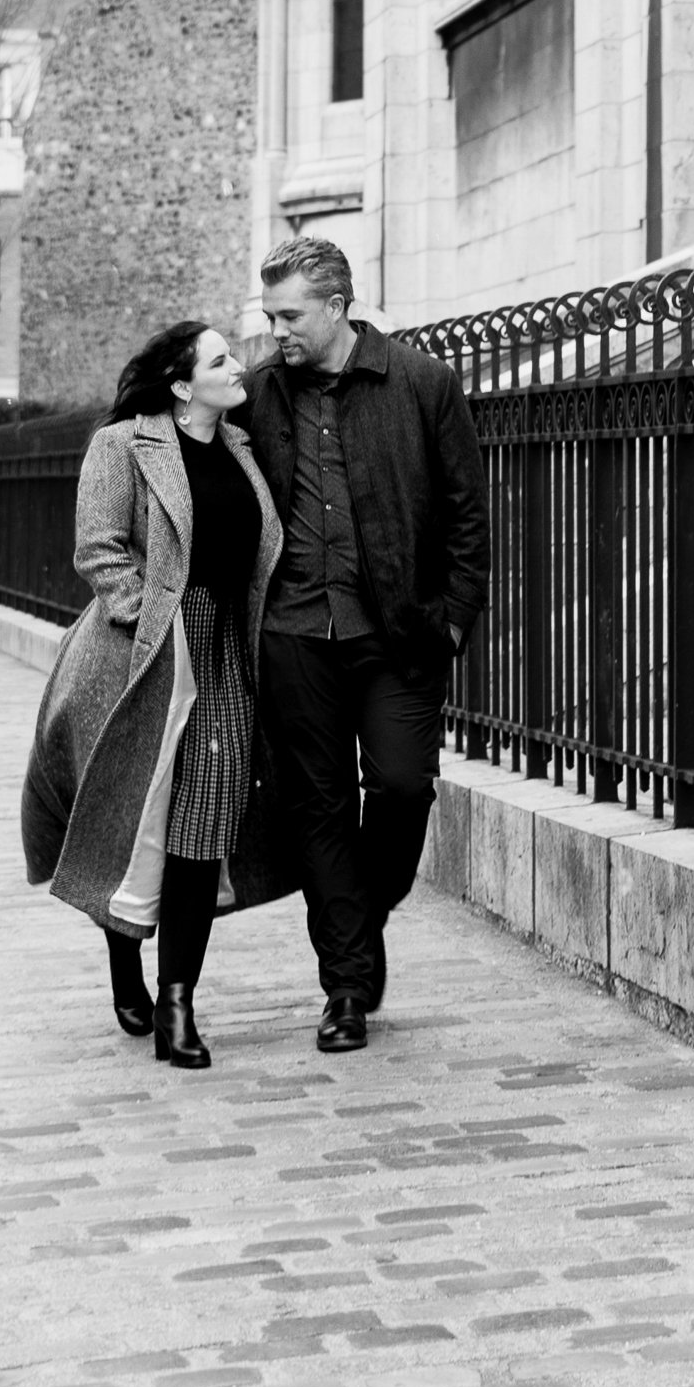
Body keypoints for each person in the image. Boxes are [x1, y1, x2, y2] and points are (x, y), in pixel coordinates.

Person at [19, 319, 293, 1070]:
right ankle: (123, 960)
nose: (238, 365)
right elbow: (98, 546)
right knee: (132, 816)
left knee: (202, 824)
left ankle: (179, 1004)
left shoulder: (240, 448)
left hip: (225, 652)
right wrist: (151, 613)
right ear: (181, 385)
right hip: (141, 654)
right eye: (220, 359)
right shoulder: (123, 445)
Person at [244, 234, 489, 1054]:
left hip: (399, 633)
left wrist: (452, 618)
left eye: (289, 314)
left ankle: (364, 911)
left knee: (400, 786)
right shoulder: (259, 394)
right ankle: (345, 987)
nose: (276, 329)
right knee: (316, 805)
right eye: (268, 314)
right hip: (292, 634)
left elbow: (465, 512)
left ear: (338, 306)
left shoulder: (423, 383)